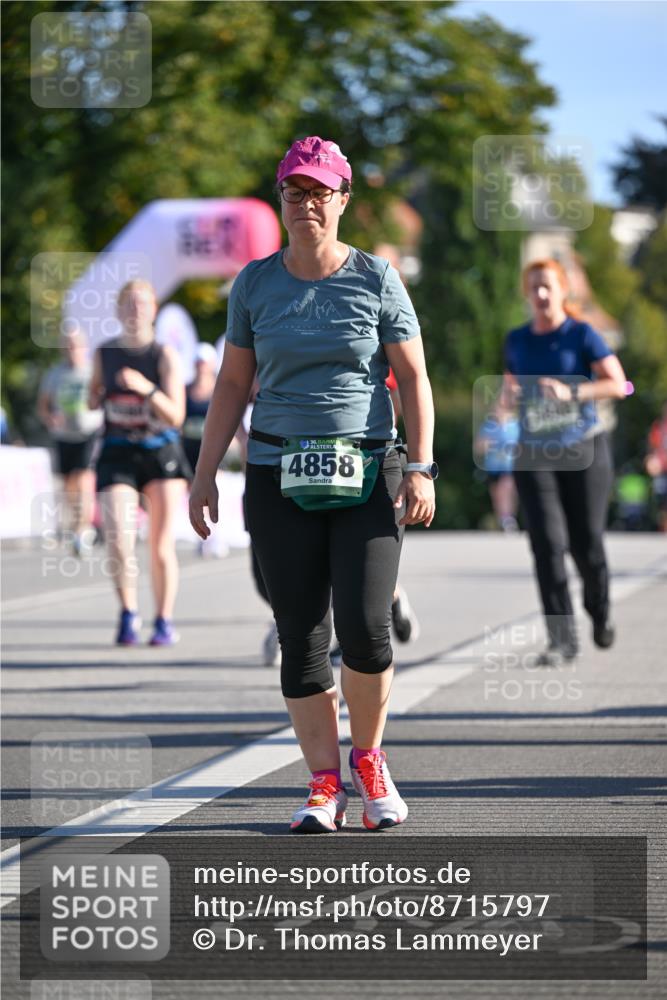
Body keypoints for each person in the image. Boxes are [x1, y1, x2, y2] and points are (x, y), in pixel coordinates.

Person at [190, 136, 436, 833]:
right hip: (275, 471)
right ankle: (323, 782)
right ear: (280, 201)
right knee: (299, 632)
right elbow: (233, 383)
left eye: (320, 192)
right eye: (295, 193)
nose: (307, 204)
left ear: (342, 200)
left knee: (365, 627)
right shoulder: (255, 283)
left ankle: (368, 758)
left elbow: (413, 378)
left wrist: (419, 466)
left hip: (366, 470)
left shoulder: (376, 279)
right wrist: (205, 475)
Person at [504, 259, 627, 664]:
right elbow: (508, 393)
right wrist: (507, 406)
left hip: (583, 450)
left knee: (585, 543)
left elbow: (619, 384)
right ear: (527, 292)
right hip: (533, 451)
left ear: (562, 291)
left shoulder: (582, 334)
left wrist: (571, 394)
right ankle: (562, 639)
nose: (540, 294)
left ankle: (600, 610)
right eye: (534, 287)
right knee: (546, 544)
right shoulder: (516, 340)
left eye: (547, 287)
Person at [89, 279, 191, 646]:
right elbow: (91, 399)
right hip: (117, 450)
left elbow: (176, 415)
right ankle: (129, 612)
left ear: (153, 310)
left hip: (159, 450)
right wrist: (94, 395)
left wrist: (145, 388)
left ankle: (164, 619)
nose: (135, 310)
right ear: (118, 311)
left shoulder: (163, 354)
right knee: (119, 538)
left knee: (160, 544)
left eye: (142, 304)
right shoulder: (104, 353)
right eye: (128, 304)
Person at [37, 328, 103, 555]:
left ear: (83, 348)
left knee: (84, 478)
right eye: (67, 346)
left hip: (89, 431)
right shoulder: (54, 374)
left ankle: (82, 529)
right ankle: (76, 524)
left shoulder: (92, 371)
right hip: (64, 435)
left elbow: (103, 396)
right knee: (69, 485)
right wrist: (50, 418)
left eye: (75, 345)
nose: (71, 350)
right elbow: (43, 405)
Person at [474, 399, 520, 532]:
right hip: (493, 467)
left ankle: (508, 518)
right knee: (497, 495)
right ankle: (504, 519)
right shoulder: (488, 426)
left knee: (506, 488)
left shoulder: (515, 425)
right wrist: (488, 444)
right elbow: (478, 447)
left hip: (510, 467)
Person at [182, 342, 219, 473]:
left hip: (215, 449)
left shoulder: (222, 393)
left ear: (213, 364)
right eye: (198, 362)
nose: (201, 366)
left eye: (204, 362)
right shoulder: (183, 391)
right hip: (187, 448)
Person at [645, 402, 667, 532]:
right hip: (662, 469)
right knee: (661, 499)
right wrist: (650, 459)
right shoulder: (658, 427)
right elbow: (652, 447)